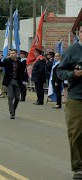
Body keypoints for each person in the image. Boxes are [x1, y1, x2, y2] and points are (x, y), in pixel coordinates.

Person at [57, 21, 82, 179]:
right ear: (79, 33)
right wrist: (73, 74)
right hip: (77, 98)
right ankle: (78, 167)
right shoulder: (72, 51)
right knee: (76, 134)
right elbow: (60, 71)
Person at [0, 49, 25, 119]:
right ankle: (11, 112)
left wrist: (24, 81)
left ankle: (13, 109)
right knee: (10, 96)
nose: (11, 54)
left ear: (16, 54)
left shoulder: (19, 62)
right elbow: (0, 64)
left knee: (17, 98)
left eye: (13, 53)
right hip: (9, 81)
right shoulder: (7, 60)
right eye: (10, 53)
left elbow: (22, 73)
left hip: (17, 81)